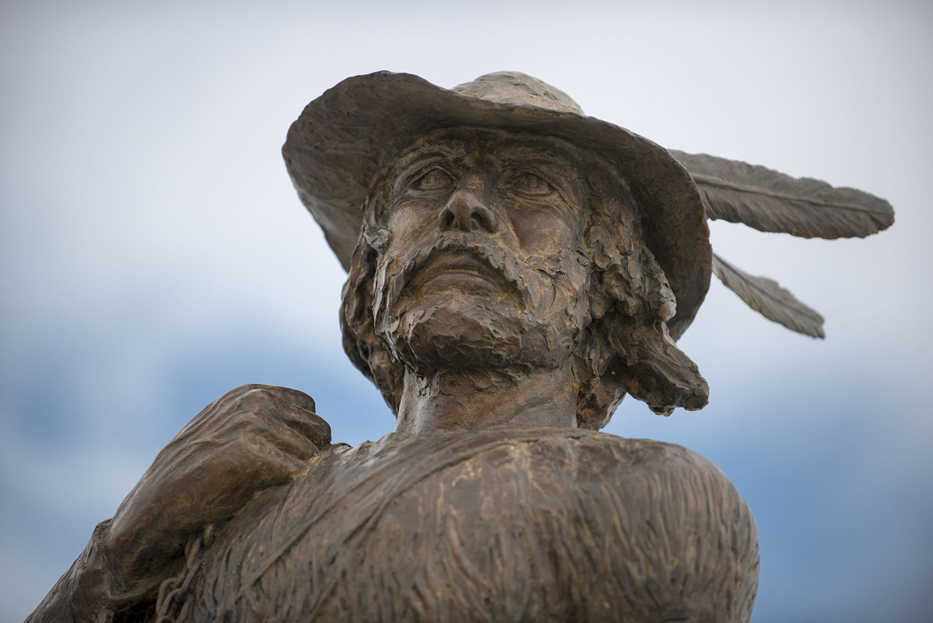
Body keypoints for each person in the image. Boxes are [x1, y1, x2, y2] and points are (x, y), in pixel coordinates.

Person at [28, 71, 892, 623]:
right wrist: (120, 556)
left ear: (607, 284)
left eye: (534, 188)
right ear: (370, 267)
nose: (465, 208)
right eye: (426, 180)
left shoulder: (651, 499)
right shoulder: (233, 512)